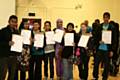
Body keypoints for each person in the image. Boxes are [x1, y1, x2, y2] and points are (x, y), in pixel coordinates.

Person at [93, 12, 116, 80]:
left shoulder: (112, 27)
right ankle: (95, 77)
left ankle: (104, 77)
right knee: (96, 64)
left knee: (106, 65)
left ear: (109, 18)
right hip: (99, 49)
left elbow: (115, 40)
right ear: (103, 18)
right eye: (104, 17)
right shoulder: (99, 26)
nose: (105, 19)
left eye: (107, 17)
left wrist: (112, 50)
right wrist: (98, 41)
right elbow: (95, 37)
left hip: (107, 49)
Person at [0, 15, 19, 80]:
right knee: (2, 74)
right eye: (12, 21)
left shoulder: (17, 32)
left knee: (12, 75)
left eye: (15, 22)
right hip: (4, 56)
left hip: (13, 57)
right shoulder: (3, 30)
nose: (14, 23)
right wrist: (7, 43)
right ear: (9, 21)